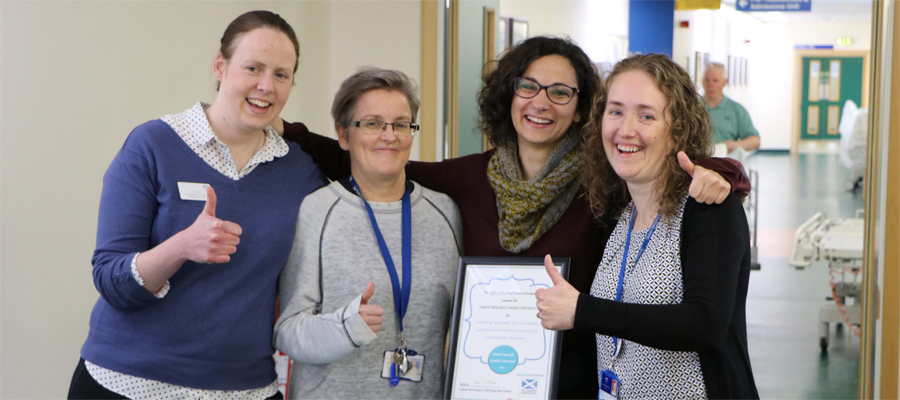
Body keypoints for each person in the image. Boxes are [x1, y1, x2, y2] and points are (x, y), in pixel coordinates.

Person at [278, 37, 749, 399]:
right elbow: (384, 156)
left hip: (580, 386)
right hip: (488, 384)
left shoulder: (604, 181)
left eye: (561, 92)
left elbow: (667, 169)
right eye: (528, 86)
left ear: (583, 107)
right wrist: (279, 126)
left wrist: (723, 171)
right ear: (509, 95)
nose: (541, 102)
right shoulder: (468, 179)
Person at [67, 11, 326, 399]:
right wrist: (181, 247)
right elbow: (111, 280)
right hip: (128, 384)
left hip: (246, 388)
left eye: (281, 75)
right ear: (220, 67)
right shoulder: (152, 145)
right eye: (252, 68)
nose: (266, 86)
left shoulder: (299, 172)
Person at [536, 54, 758, 399]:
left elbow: (706, 324)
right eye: (615, 111)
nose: (626, 130)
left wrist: (584, 310)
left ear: (678, 127)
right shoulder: (619, 216)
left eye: (647, 115)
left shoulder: (708, 208)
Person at [273, 68, 462, 399]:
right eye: (373, 123)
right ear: (344, 136)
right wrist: (344, 328)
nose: (389, 136)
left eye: (401, 124)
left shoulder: (444, 212)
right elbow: (288, 331)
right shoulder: (317, 211)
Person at [703, 62, 760, 153]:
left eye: (715, 81)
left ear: (724, 82)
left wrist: (736, 145)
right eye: (707, 80)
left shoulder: (736, 110)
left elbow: (756, 140)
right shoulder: (692, 107)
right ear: (702, 81)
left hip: (725, 161)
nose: (711, 85)